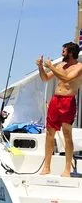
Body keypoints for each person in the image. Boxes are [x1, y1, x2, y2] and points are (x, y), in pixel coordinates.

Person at [36, 42, 82, 176]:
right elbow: (45, 78)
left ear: (71, 53)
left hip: (68, 101)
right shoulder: (60, 65)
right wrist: (41, 67)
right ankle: (46, 167)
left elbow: (67, 79)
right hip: (56, 100)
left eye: (64, 50)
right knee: (49, 134)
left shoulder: (79, 67)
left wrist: (51, 66)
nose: (62, 52)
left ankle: (67, 168)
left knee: (67, 135)